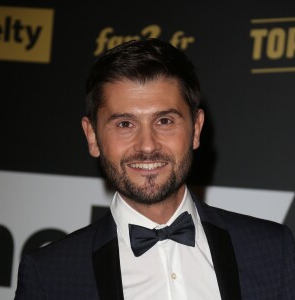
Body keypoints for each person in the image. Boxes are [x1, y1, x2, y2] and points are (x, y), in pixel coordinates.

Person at [15, 39, 295, 300]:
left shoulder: (272, 251)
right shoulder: (50, 277)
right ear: (92, 137)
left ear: (196, 129)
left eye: (164, 121)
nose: (147, 146)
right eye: (125, 124)